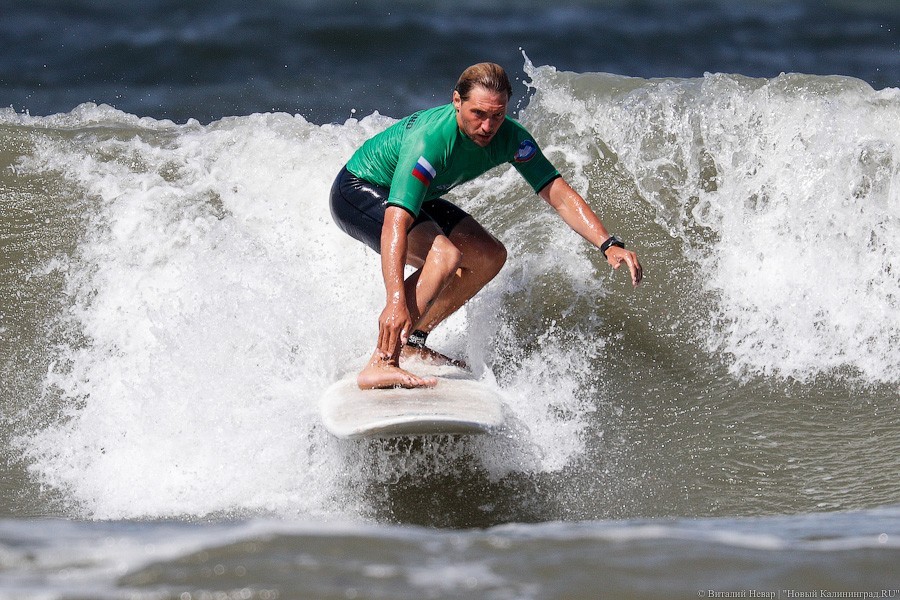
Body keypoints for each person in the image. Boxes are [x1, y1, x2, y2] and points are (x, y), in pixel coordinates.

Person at [330, 63, 642, 390]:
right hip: (358, 190)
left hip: (418, 195)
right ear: (456, 101)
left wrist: (608, 243)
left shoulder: (511, 138)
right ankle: (381, 361)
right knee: (445, 256)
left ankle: (413, 341)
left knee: (487, 255)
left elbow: (558, 193)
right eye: (478, 113)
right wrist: (395, 299)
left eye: (497, 115)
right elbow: (396, 220)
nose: (487, 126)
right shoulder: (431, 142)